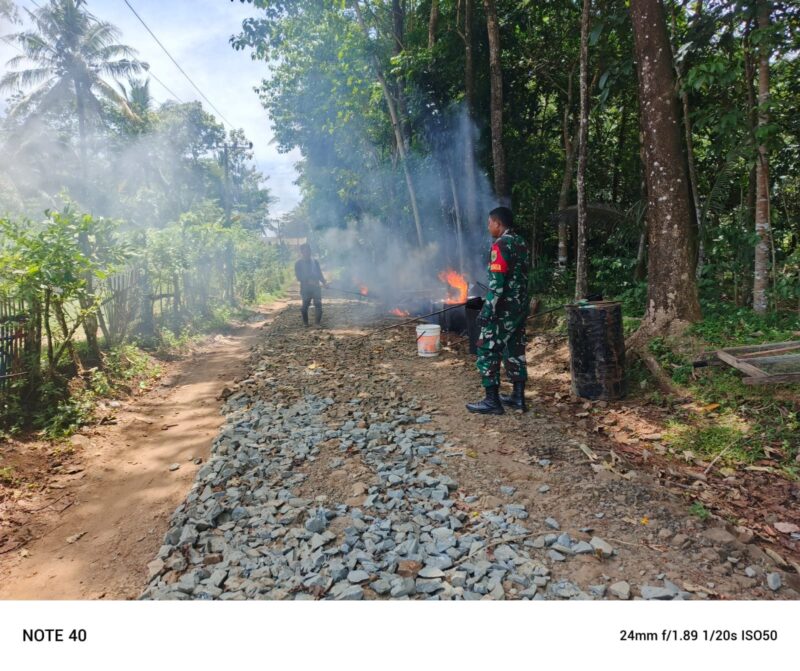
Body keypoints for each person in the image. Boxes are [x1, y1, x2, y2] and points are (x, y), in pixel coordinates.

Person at [466, 206, 530, 414]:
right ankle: (518, 398)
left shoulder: (500, 245)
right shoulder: (520, 242)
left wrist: (487, 310)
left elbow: (497, 284)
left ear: (498, 223)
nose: (488, 227)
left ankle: (492, 401)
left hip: (503, 309)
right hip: (520, 307)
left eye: (489, 223)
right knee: (515, 348)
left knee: (486, 348)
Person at [294, 243, 328, 326]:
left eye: (309, 251)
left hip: (316, 288)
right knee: (305, 306)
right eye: (305, 251)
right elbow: (298, 277)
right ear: (302, 252)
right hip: (305, 289)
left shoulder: (315, 262)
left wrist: (324, 282)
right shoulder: (298, 263)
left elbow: (319, 274)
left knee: (318, 305)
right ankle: (306, 323)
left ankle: (317, 323)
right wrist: (308, 281)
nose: (307, 253)